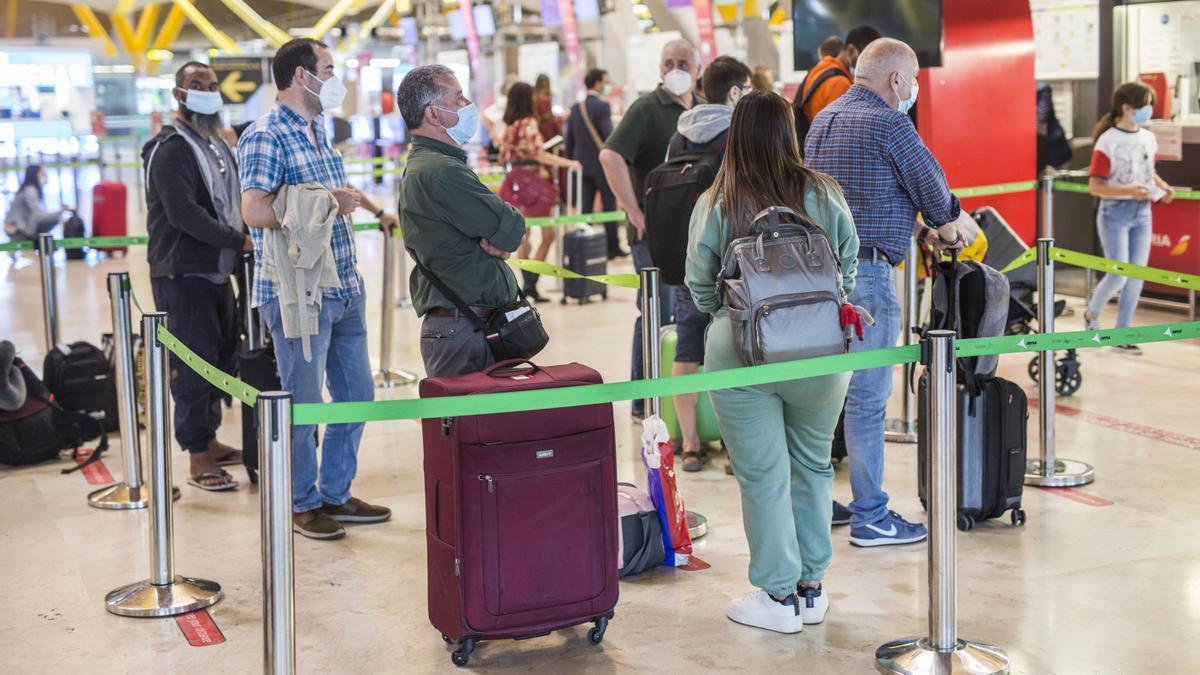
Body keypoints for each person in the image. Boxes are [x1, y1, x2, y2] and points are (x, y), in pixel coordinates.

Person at [685, 90, 859, 633]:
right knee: (813, 466)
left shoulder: (717, 200)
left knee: (762, 475)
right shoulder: (823, 191)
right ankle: (813, 588)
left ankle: (777, 597)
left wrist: (734, 319)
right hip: (822, 351)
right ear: (789, 132)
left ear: (735, 134)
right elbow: (847, 266)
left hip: (741, 354)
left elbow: (698, 285)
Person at [804, 38, 979, 547]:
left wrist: (914, 225)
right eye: (915, 79)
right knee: (867, 399)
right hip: (869, 280)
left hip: (816, 278)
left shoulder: (824, 120)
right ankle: (872, 516)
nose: (915, 90)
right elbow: (937, 197)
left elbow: (857, 196)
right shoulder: (890, 123)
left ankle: (821, 501)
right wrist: (945, 226)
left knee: (823, 394)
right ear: (898, 80)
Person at [239, 38, 398, 540]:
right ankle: (301, 501)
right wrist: (325, 201)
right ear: (302, 76)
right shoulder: (266, 135)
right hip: (297, 293)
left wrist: (368, 208)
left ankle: (335, 491)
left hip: (344, 284)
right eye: (329, 68)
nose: (337, 77)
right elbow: (255, 210)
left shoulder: (317, 129)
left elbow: (336, 195)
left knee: (356, 394)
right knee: (304, 404)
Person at [142, 62, 253, 492]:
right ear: (178, 95)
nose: (207, 92)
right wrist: (237, 240)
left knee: (220, 357)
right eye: (196, 86)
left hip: (216, 270)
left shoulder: (214, 144)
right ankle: (197, 455)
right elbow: (183, 213)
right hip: (183, 271)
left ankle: (209, 438)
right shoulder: (169, 148)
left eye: (211, 85)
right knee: (193, 363)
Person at [394, 65, 527, 377]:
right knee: (470, 423)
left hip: (470, 325)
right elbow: (511, 228)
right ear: (433, 114)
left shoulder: (434, 165)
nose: (468, 106)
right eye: (458, 98)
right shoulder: (441, 171)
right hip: (464, 330)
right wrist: (503, 234)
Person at [600, 39, 701, 419]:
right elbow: (610, 156)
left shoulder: (702, 110)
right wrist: (634, 212)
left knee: (687, 317)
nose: (676, 68)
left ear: (698, 68)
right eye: (669, 62)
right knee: (657, 313)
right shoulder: (646, 108)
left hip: (691, 236)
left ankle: (678, 404)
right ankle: (645, 400)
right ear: (659, 68)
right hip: (652, 237)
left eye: (684, 62)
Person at [666, 55, 751, 472]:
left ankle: (691, 446)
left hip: (688, 257)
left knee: (687, 350)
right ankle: (737, 448)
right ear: (734, 92)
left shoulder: (680, 134)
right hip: (734, 261)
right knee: (738, 350)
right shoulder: (739, 133)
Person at [1085, 81, 1175, 354]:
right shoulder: (1107, 141)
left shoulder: (1147, 137)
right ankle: (1092, 313)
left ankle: (1122, 334)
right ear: (1127, 108)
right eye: (1145, 105)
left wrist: (1163, 186)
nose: (1149, 110)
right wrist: (1127, 191)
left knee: (1136, 275)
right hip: (1115, 213)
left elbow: (1147, 172)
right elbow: (1095, 186)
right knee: (1119, 273)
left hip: (1143, 213)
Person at [499, 81, 583, 302]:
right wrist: (567, 162)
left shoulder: (509, 125)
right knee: (547, 234)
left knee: (523, 236)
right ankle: (531, 284)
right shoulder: (529, 123)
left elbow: (503, 155)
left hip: (513, 181)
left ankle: (528, 285)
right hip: (533, 183)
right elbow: (539, 154)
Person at [565, 68, 625, 259]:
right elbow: (609, 136)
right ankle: (612, 248)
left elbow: (569, 140)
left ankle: (586, 247)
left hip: (582, 164)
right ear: (598, 84)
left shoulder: (575, 108)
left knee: (585, 209)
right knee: (608, 205)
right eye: (605, 81)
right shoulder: (603, 107)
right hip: (601, 165)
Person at [792, 25, 881, 136]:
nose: (865, 63)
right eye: (864, 56)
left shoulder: (821, 68)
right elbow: (840, 131)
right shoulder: (840, 82)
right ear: (850, 49)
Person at [3, 166, 64, 242]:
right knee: (55, 219)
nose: (45, 176)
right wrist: (59, 214)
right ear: (34, 175)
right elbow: (37, 215)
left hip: (18, 228)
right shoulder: (30, 190)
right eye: (42, 174)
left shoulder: (26, 189)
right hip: (19, 229)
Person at [533, 73, 561, 143]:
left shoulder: (535, 97)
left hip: (542, 125)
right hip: (545, 126)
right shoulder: (542, 98)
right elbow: (546, 115)